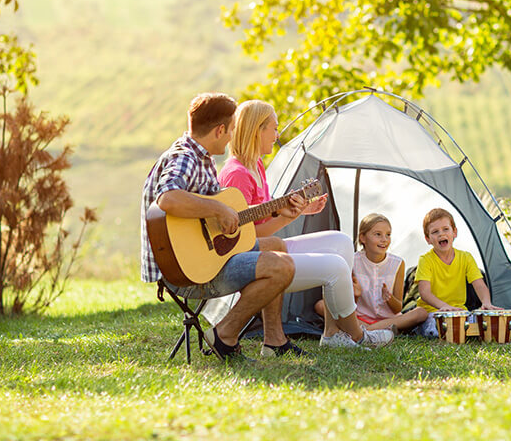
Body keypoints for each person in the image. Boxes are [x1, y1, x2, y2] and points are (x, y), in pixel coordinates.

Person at [217, 99, 393, 351]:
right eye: (274, 129)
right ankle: (358, 335)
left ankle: (332, 333)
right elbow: (244, 237)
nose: (277, 136)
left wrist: (299, 210)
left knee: (341, 241)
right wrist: (287, 218)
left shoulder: (255, 165)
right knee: (335, 267)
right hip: (248, 260)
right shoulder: (237, 174)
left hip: (265, 249)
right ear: (258, 130)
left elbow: (263, 219)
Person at [140, 93, 292, 362]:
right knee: (281, 266)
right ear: (220, 130)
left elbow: (220, 223)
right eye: (232, 129)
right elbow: (168, 198)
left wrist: (279, 214)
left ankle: (274, 340)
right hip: (186, 272)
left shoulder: (203, 159)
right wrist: (219, 209)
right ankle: (225, 335)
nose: (233, 136)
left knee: (277, 247)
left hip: (205, 257)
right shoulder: (185, 158)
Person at [346, 213, 429, 332]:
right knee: (322, 306)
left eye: (388, 235)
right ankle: (378, 330)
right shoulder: (353, 261)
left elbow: (397, 308)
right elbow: (348, 306)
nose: (384, 239)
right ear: (362, 238)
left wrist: (389, 298)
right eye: (378, 234)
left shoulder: (398, 263)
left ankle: (368, 330)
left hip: (390, 319)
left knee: (421, 313)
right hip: (360, 317)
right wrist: (356, 296)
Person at [415, 208, 499, 316]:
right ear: (428, 239)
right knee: (442, 328)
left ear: (454, 232)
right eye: (435, 232)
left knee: (476, 325)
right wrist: (445, 307)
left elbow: (479, 285)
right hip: (432, 312)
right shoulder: (425, 260)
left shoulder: (466, 257)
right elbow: (425, 293)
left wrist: (486, 302)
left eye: (445, 229)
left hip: (459, 312)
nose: (441, 234)